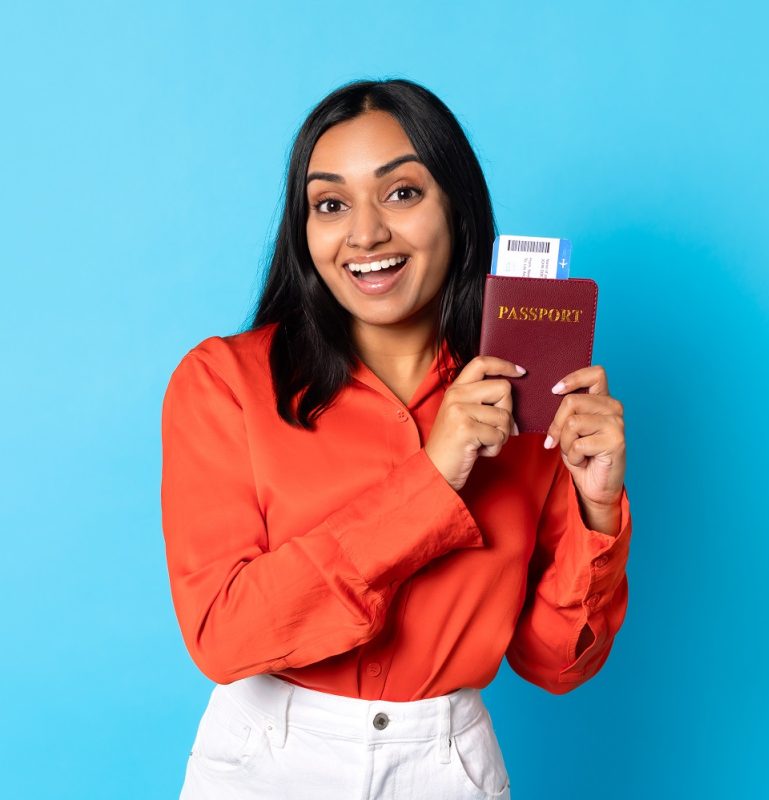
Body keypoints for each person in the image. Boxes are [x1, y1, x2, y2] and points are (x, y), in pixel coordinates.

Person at [160, 77, 632, 800]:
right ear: (304, 229)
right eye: (330, 203)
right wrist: (431, 480)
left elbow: (552, 665)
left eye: (402, 193)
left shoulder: (531, 396)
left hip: (447, 766)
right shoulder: (224, 383)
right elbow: (223, 637)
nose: (365, 232)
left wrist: (599, 510)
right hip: (264, 763)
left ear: (459, 210)